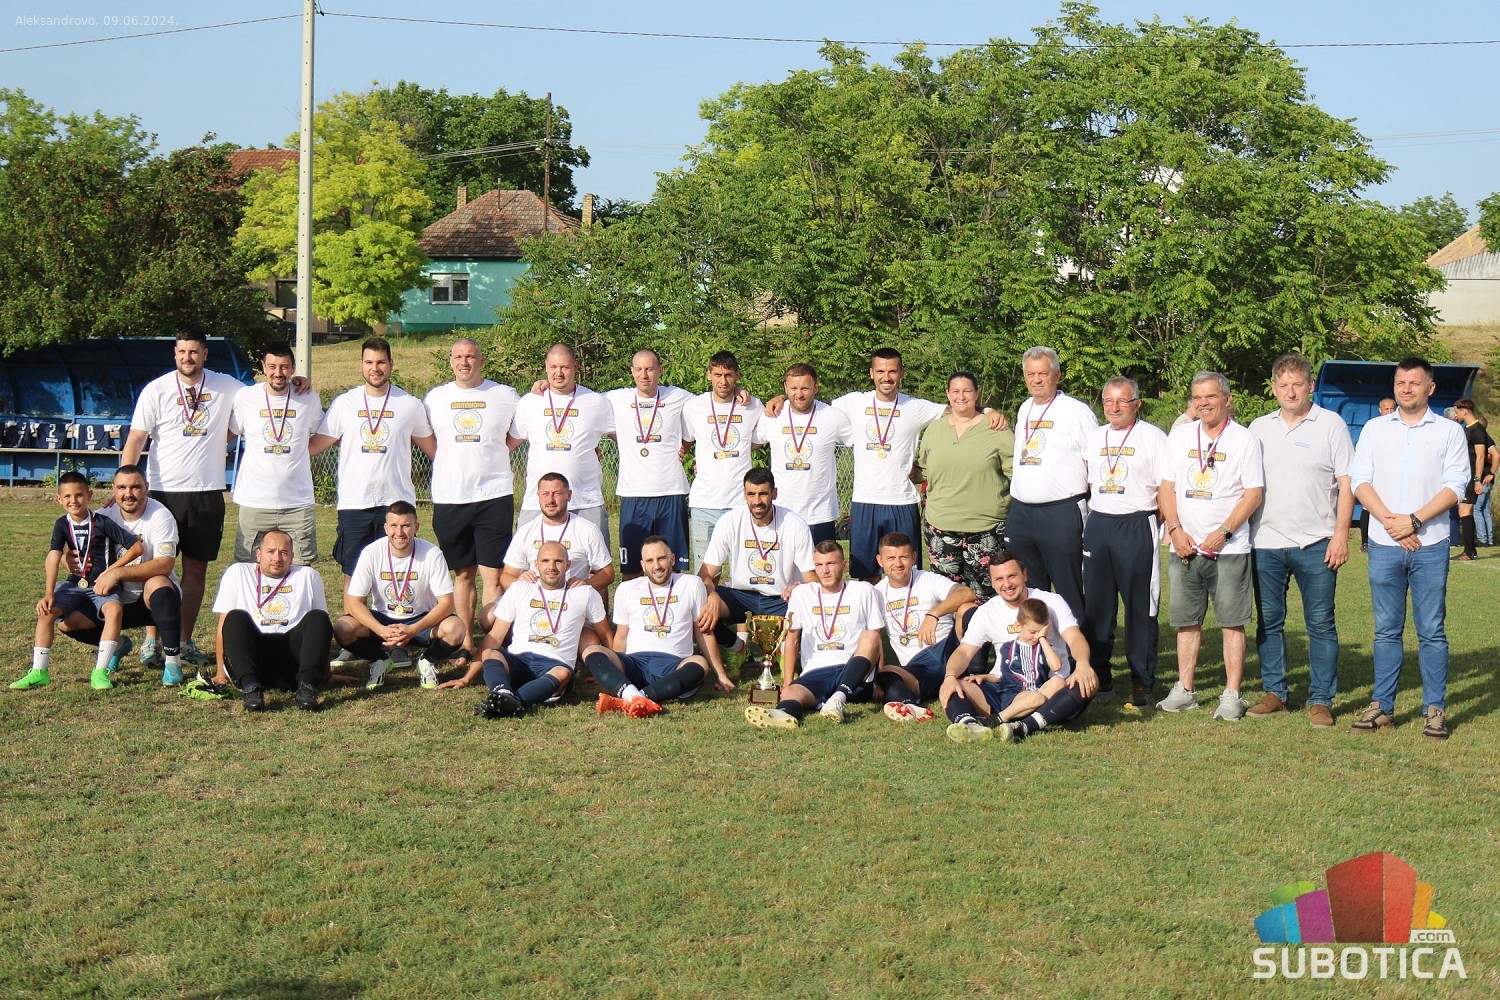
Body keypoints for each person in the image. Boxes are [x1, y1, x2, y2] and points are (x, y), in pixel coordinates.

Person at [1349, 357, 1469, 740]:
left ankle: (1434, 708)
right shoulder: (1374, 429)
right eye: (1401, 382)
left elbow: (1456, 486)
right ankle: (1382, 706)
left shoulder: (1449, 432)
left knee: (1431, 630)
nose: (1406, 388)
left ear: (1430, 388)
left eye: (1414, 383)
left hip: (1430, 545)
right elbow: (1359, 481)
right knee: (1386, 630)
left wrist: (1414, 521)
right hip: (1384, 543)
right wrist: (1391, 522)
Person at [122, 329, 246, 668]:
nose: (187, 358)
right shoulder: (157, 389)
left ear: (204, 354)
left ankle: (183, 640)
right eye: (181, 352)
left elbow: (263, 398)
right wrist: (125, 483)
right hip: (162, 493)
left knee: (195, 570)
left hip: (206, 493)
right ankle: (152, 640)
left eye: (193, 352)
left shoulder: (226, 386)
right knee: (154, 568)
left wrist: (295, 382)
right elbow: (136, 439)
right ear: (174, 354)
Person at [827, 349, 1006, 581]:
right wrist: (783, 399)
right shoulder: (853, 402)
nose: (886, 377)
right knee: (867, 576)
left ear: (902, 373)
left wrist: (989, 411)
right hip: (864, 501)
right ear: (871, 373)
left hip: (902, 501)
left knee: (905, 574)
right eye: (880, 371)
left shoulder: (914, 406)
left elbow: (957, 407)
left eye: (892, 371)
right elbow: (813, 408)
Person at [1246, 354, 1354, 726]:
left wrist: (1341, 535)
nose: (1290, 392)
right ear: (1273, 388)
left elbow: (1347, 483)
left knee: (1320, 624)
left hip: (1317, 542)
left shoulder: (1331, 424)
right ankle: (1275, 692)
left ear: (1310, 386)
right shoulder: (1258, 428)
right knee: (1269, 622)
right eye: (1283, 385)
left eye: (1297, 384)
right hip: (1266, 541)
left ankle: (1321, 699)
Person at [1157, 371, 1264, 721]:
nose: (1203, 403)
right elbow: (1167, 487)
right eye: (1198, 397)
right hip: (1184, 547)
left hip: (1229, 549)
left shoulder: (1244, 439)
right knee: (1187, 623)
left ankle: (1232, 694)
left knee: (1232, 623)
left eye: (1211, 396)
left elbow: (1253, 493)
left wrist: (1224, 532)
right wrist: (1174, 530)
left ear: (1227, 399)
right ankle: (1185, 689)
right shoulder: (1180, 435)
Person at [309, 336, 436, 583]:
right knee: (354, 575)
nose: (374, 368)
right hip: (355, 503)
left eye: (380, 362)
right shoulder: (344, 404)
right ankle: (354, 611)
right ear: (361, 364)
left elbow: (435, 452)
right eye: (369, 362)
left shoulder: (410, 404)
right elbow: (315, 446)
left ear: (391, 364)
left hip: (396, 503)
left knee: (396, 573)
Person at [423, 338, 521, 656]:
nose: (464, 362)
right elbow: (425, 437)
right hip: (451, 497)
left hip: (494, 495)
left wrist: (493, 454)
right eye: (459, 357)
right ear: (451, 362)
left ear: (481, 361)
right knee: (463, 573)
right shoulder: (435, 398)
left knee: (493, 574)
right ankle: (466, 643)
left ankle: (491, 645)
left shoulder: (505, 395)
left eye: (470, 356)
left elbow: (520, 432)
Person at [939, 550, 1098, 743]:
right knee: (954, 685)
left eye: (1012, 576)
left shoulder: (1051, 602)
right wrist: (949, 676)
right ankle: (971, 726)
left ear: (1024, 574)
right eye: (999, 579)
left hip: (1051, 691)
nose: (1006, 584)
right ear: (992, 582)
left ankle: (1022, 726)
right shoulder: (987, 611)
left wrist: (1082, 664)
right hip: (1005, 689)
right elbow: (964, 651)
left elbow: (1075, 638)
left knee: (1087, 681)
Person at [441, 541, 612, 718]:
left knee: (563, 673)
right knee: (490, 653)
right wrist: (466, 678)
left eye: (558, 561)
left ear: (568, 565)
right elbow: (495, 636)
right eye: (545, 561)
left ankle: (509, 701)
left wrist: (609, 672)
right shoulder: (520, 588)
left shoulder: (584, 593)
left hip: (554, 664)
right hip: (519, 659)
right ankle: (504, 694)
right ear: (536, 564)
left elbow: (605, 634)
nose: (551, 567)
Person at [1082, 377, 1169, 708]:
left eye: (1122, 401)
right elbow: (1091, 483)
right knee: (1097, 606)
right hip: (1100, 523)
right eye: (1108, 401)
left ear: (1137, 404)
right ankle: (1100, 675)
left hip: (1136, 523)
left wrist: (1158, 520)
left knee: (1140, 605)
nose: (1114, 407)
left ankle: (1141, 680)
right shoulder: (1096, 436)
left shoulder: (1153, 437)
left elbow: (1166, 487)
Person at [12, 471, 143, 691]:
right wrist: (48, 593)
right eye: (67, 496)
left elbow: (137, 547)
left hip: (102, 584)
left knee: (114, 610)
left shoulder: (102, 522)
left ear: (89, 495)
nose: (73, 501)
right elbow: (53, 556)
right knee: (46, 611)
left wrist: (111, 571)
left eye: (79, 495)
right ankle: (38, 672)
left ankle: (100, 672)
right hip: (74, 583)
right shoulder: (61, 525)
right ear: (59, 499)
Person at [583, 535, 731, 718]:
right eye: (650, 561)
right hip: (634, 664)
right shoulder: (626, 589)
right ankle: (637, 696)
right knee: (591, 651)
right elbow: (621, 636)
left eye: (661, 558)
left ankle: (631, 697)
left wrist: (721, 675)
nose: (657, 566)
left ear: (672, 559)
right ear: (643, 565)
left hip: (674, 665)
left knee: (700, 663)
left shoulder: (691, 584)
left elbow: (703, 633)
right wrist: (613, 669)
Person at [743, 541, 883, 729]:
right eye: (819, 565)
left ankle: (838, 699)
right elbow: (792, 639)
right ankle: (783, 714)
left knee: (870, 636)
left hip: (853, 673)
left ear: (843, 565)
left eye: (831, 564)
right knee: (792, 693)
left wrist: (879, 680)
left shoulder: (863, 590)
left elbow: (876, 640)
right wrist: (788, 682)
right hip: (816, 673)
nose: (825, 571)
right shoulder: (801, 593)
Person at [1005, 346, 1098, 621]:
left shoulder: (1076, 411)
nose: (1036, 380)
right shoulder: (1025, 408)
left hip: (1061, 511)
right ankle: (1038, 644)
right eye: (1030, 374)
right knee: (1029, 588)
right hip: (1022, 512)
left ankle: (1077, 645)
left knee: (1069, 587)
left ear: (1057, 375)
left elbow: (1096, 461)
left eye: (1043, 374)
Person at [334, 501, 467, 691]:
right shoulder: (371, 552)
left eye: (406, 525)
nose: (399, 532)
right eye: (394, 526)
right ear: (386, 528)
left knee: (456, 628)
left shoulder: (432, 554)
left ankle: (427, 661)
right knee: (342, 628)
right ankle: (380, 659)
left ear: (416, 527)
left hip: (421, 621)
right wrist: (380, 629)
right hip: (383, 620)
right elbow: (355, 602)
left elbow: (446, 603)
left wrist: (413, 629)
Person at [914, 371, 1015, 600]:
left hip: (985, 528)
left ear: (977, 394)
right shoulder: (934, 429)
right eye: (956, 391)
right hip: (941, 526)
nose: (961, 396)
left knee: (986, 596)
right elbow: (924, 469)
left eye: (967, 391)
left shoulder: (996, 428)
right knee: (948, 597)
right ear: (948, 394)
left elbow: (1016, 473)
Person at [697, 467, 817, 657]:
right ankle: (737, 648)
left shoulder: (795, 524)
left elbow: (812, 580)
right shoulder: (729, 522)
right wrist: (711, 595)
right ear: (744, 494)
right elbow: (705, 575)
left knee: (813, 605)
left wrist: (800, 589)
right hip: (741, 596)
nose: (757, 501)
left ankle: (784, 651)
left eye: (763, 494)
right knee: (697, 603)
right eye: (751, 494)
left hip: (781, 599)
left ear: (774, 493)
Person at [211, 528, 332, 712]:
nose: (277, 558)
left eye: (284, 552)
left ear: (292, 557)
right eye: (270, 551)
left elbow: (321, 632)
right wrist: (220, 673)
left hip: (293, 660)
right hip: (255, 657)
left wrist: (326, 674)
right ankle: (251, 688)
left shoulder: (308, 576)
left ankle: (307, 687)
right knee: (234, 617)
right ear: (258, 554)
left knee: (319, 617)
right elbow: (223, 627)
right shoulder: (237, 573)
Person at [228, 340, 323, 566]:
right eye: (272, 367)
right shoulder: (245, 397)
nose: (278, 373)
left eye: (284, 367)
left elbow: (324, 434)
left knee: (301, 568)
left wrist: (302, 453)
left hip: (297, 502)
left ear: (293, 369)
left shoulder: (307, 396)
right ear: (263, 367)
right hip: (255, 500)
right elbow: (229, 433)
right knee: (248, 567)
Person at [511, 343, 614, 545]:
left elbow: (626, 438)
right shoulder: (529, 402)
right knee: (528, 561)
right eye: (553, 367)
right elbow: (509, 443)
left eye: (565, 367)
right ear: (546, 367)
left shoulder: (596, 401)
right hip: (537, 502)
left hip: (585, 500)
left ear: (575, 367)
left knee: (594, 562)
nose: (558, 373)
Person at [90, 465, 184, 684]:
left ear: (146, 487)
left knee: (159, 582)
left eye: (135, 487)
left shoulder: (161, 515)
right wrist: (68, 559)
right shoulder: (102, 516)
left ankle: (173, 662)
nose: (128, 494)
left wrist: (117, 573)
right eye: (122, 487)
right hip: (114, 601)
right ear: (113, 488)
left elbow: (164, 565)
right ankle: (117, 644)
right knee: (68, 621)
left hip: (151, 602)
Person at [603, 349, 694, 578]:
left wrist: (739, 391)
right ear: (632, 371)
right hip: (633, 495)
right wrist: (544, 386)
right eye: (639, 369)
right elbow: (579, 400)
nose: (644, 375)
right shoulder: (617, 398)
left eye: (650, 369)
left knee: (674, 568)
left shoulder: (678, 396)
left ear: (660, 370)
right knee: (632, 570)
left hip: (671, 492)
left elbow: (713, 402)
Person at [873, 531, 976, 722]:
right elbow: (873, 636)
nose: (898, 564)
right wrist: (876, 678)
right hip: (917, 667)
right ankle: (909, 706)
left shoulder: (927, 579)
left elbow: (966, 593)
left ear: (914, 557)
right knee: (886, 672)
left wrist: (933, 613)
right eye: (891, 558)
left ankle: (976, 678)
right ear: (880, 561)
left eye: (904, 557)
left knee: (967, 609)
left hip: (949, 650)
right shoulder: (876, 593)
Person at [682, 351, 767, 570]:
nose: (723, 381)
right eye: (718, 375)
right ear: (709, 375)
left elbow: (757, 440)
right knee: (706, 572)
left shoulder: (753, 406)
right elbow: (685, 440)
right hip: (704, 504)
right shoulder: (693, 407)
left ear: (737, 375)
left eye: (728, 375)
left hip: (740, 504)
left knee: (744, 571)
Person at [944, 597, 1067, 736]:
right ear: (1018, 626)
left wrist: (1042, 639)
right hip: (1016, 694)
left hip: (1039, 690)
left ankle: (1016, 718)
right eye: (1033, 632)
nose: (1036, 636)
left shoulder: (1043, 647)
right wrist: (983, 677)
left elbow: (1056, 666)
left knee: (1058, 681)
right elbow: (1000, 675)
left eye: (1041, 631)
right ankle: (997, 719)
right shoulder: (1009, 648)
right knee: (1036, 698)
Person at [762, 363, 852, 543]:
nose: (799, 394)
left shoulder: (832, 416)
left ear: (815, 387)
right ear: (785, 388)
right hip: (782, 512)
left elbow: (862, 444)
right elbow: (747, 444)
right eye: (793, 388)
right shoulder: (772, 416)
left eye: (805, 388)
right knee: (783, 562)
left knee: (822, 562)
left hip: (820, 514)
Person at [499, 473, 615, 606]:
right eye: (545, 494)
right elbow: (506, 576)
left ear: (569, 495)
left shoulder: (587, 529)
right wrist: (518, 582)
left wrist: (584, 585)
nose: (550, 500)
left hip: (571, 601)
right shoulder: (526, 531)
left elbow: (607, 574)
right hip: (534, 601)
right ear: (538, 496)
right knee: (488, 615)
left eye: (557, 493)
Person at [1358, 397, 1398, 552]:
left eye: (1392, 409)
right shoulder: (1373, 427)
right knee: (1368, 506)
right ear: (1380, 410)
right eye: (1386, 409)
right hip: (1375, 473)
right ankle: (1365, 542)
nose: (1389, 412)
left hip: (1393, 474)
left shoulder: (1402, 427)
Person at [1452, 397, 1488, 562]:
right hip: (1464, 475)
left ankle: (1468, 552)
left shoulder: (1477, 430)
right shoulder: (1465, 429)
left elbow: (1480, 456)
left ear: (1464, 411)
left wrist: (1477, 479)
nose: (1456, 415)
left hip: (1472, 476)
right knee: (1463, 510)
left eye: (1457, 411)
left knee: (1465, 510)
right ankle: (1471, 549)